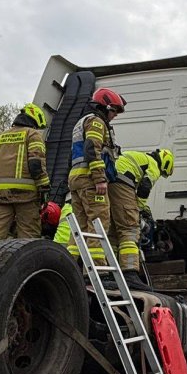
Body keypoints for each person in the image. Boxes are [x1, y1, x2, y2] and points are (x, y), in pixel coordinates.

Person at [66, 88, 125, 261]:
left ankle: (73, 266)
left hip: (76, 180)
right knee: (98, 222)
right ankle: (96, 270)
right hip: (90, 180)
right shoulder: (96, 122)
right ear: (105, 106)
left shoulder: (80, 122)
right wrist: (99, 178)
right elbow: (92, 148)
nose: (115, 115)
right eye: (114, 110)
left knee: (80, 226)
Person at [0, 103, 50, 239]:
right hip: (25, 196)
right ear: (34, 120)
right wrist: (44, 187)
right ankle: (27, 261)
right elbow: (35, 164)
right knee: (28, 237)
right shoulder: (32, 135)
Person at [108, 149, 174, 274]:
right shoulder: (153, 164)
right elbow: (145, 186)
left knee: (113, 232)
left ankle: (112, 269)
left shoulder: (141, 157)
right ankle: (129, 271)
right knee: (130, 228)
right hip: (123, 182)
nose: (160, 175)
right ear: (165, 164)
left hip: (109, 180)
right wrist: (139, 208)